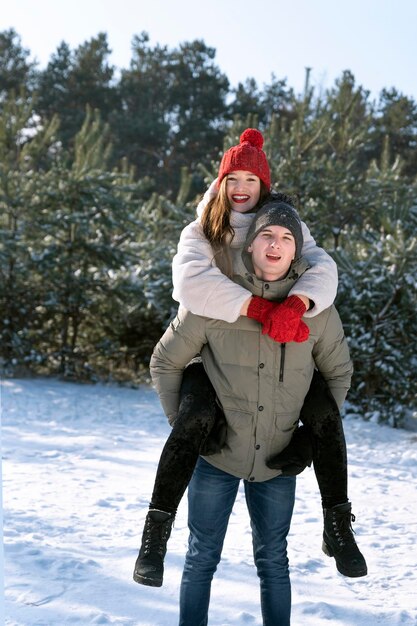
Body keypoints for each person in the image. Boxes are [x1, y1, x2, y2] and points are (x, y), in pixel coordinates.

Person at [133, 129, 367, 590]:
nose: (241, 187)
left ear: (264, 186)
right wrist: (257, 308)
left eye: (251, 180)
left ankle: (337, 522)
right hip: (214, 343)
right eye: (232, 178)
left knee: (320, 404)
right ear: (220, 183)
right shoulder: (203, 227)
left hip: (281, 342)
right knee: (194, 412)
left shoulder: (277, 220)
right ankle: (154, 534)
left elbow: (323, 268)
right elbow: (189, 287)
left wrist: (297, 306)